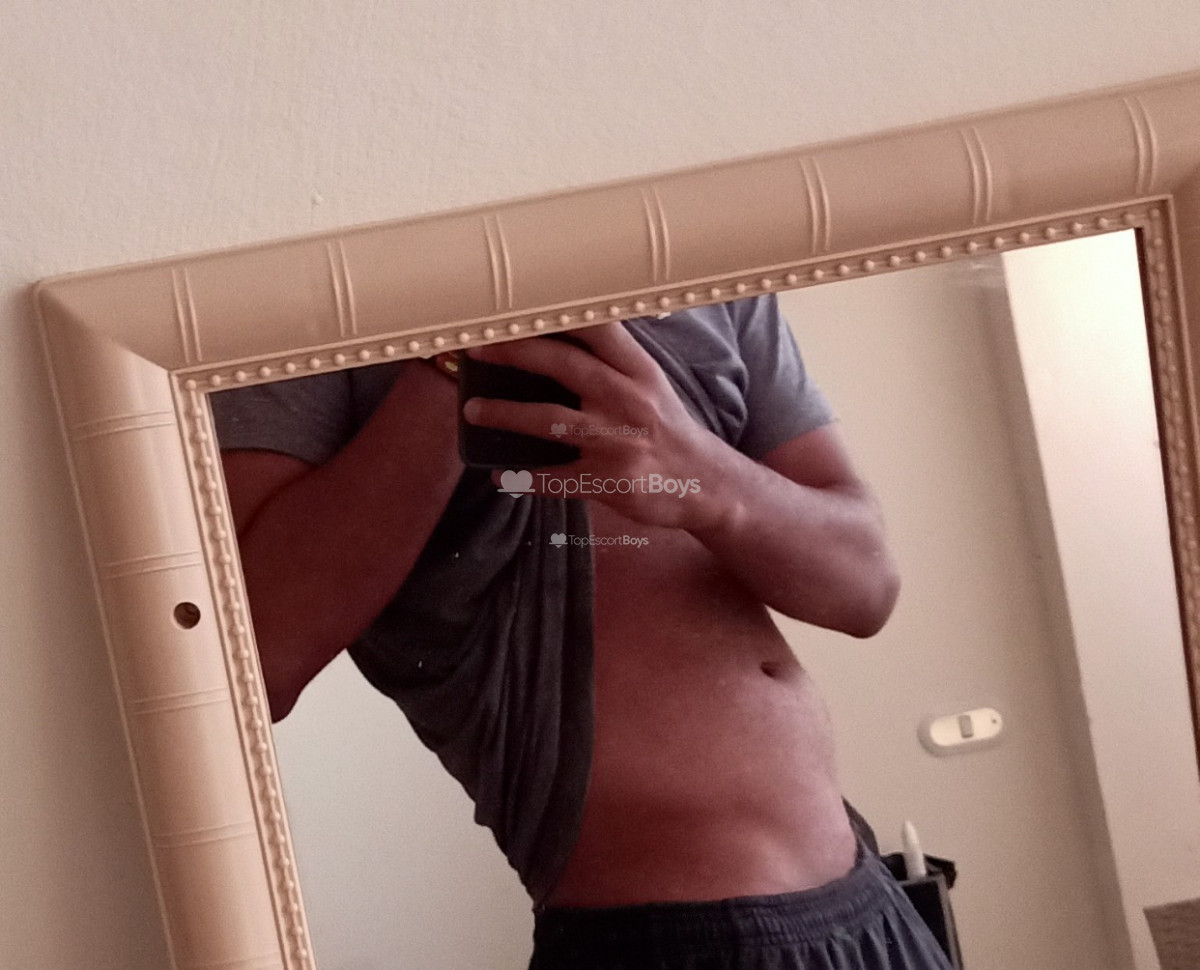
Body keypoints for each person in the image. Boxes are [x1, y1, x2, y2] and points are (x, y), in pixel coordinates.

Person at [214, 296, 951, 970]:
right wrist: (462, 356)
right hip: (659, 941)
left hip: (870, 906)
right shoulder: (307, 295)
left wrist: (706, 481)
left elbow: (866, 587)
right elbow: (259, 664)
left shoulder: (694, 254)